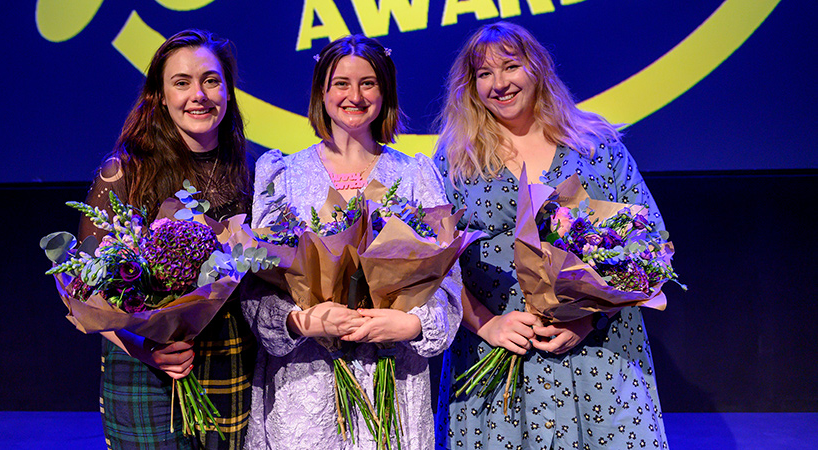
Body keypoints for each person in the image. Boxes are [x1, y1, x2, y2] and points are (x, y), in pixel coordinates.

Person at [433, 22, 669, 449]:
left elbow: (650, 243)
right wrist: (487, 325)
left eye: (511, 66)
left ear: (536, 67)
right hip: (497, 358)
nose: (499, 84)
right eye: (484, 74)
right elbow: (434, 264)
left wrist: (590, 315)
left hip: (599, 353)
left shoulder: (596, 145)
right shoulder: (454, 159)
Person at [243, 35, 462, 449]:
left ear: (385, 91)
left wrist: (411, 323)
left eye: (368, 83)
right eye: (341, 83)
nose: (354, 96)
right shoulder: (281, 175)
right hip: (305, 388)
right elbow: (257, 281)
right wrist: (302, 321)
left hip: (393, 384)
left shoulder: (417, 174)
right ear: (321, 92)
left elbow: (448, 279)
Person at [78, 29, 255, 449]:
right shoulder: (124, 172)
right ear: (159, 96)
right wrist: (145, 345)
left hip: (229, 358)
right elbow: (83, 286)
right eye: (182, 82)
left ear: (228, 92)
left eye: (211, 80)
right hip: (144, 367)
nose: (199, 94)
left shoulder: (248, 171)